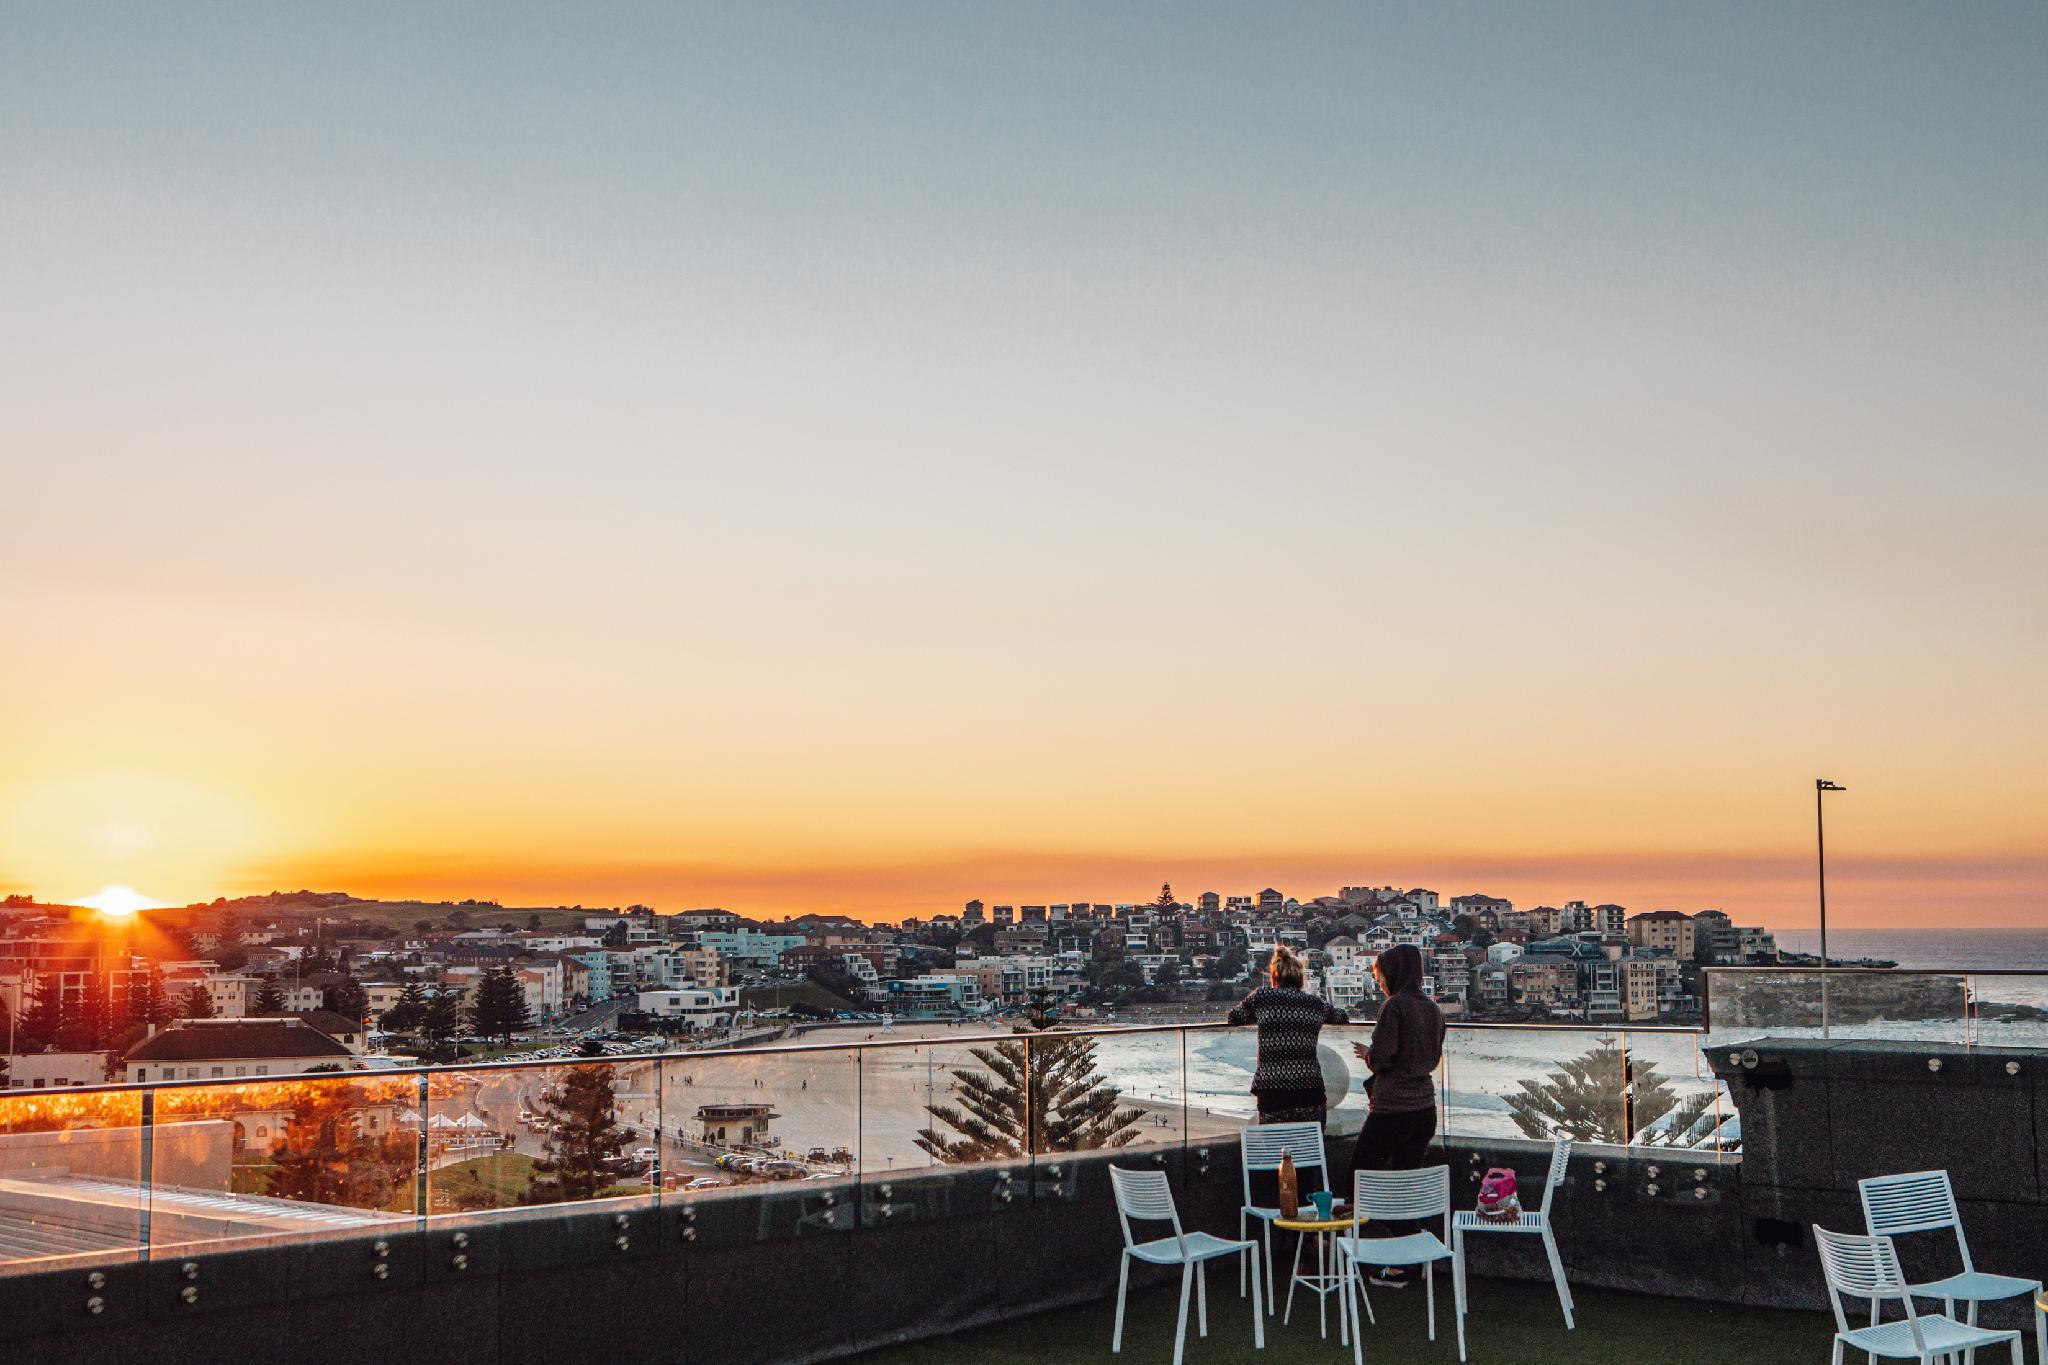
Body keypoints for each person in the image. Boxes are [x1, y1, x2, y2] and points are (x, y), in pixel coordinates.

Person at [1344, 942, 1446, 1287]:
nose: (1380, 983)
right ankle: (1408, 1261)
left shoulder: (1394, 1007)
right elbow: (1431, 1056)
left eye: (1380, 976)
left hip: (1393, 1108)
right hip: (1424, 1107)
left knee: (1358, 1180)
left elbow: (1386, 1054)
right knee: (1406, 1185)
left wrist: (1370, 1056)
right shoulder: (1433, 1009)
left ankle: (1343, 1250)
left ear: (1393, 974)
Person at [1227, 945, 1349, 1126]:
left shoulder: (1263, 997)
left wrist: (1262, 1016)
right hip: (1310, 1092)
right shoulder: (1314, 1003)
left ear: (1274, 977)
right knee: (1309, 1147)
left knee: (1276, 1145)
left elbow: (1234, 1017)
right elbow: (1341, 1017)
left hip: (1273, 1093)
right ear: (1301, 978)